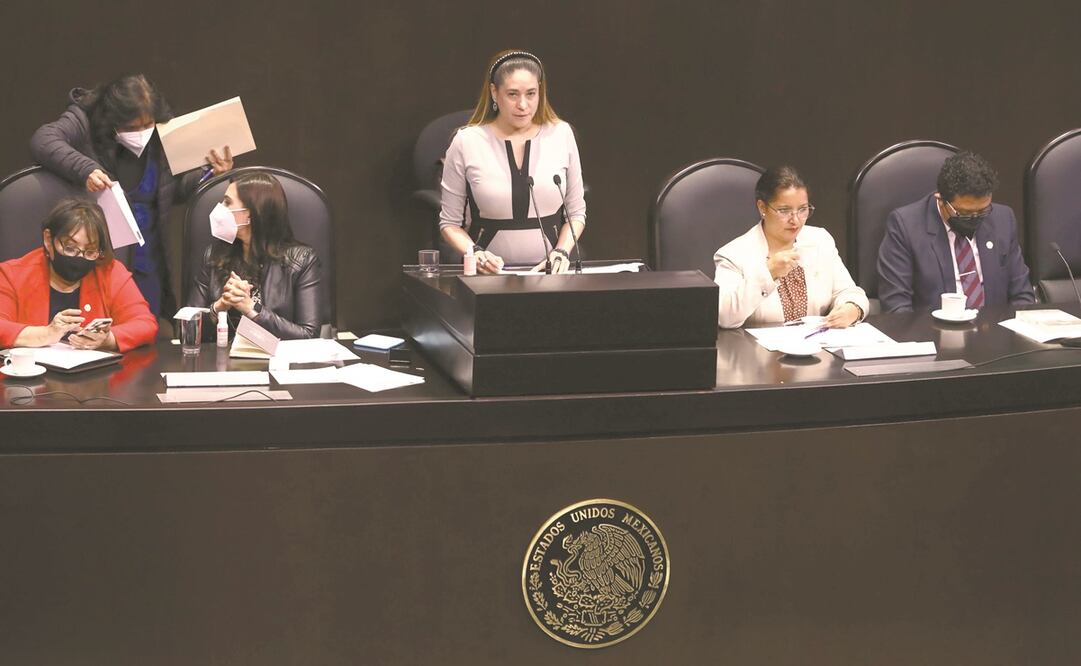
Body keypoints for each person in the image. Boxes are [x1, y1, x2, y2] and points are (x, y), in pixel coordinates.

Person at [30, 74, 234, 317]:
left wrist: (209, 174)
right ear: (112, 119)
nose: (141, 133)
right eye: (132, 128)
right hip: (97, 254)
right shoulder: (85, 117)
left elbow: (172, 192)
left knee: (144, 324)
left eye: (147, 125)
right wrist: (86, 170)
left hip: (148, 258)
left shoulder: (162, 131)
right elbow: (43, 140)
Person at [439, 49, 586, 274]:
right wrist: (474, 253)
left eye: (531, 93)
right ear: (494, 92)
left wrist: (562, 251)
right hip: (486, 276)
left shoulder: (561, 134)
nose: (523, 105)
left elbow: (576, 213)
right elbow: (449, 224)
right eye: (512, 94)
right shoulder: (466, 141)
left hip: (552, 275)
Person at [877, 151, 1036, 313]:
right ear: (940, 199)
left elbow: (1022, 296)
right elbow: (896, 306)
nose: (974, 218)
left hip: (995, 326)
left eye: (982, 211)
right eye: (964, 213)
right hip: (932, 327)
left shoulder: (1002, 219)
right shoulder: (906, 226)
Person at [714, 166, 868, 328]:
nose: (795, 220)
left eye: (802, 209)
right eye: (784, 210)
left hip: (817, 341)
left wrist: (852, 309)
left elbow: (848, 291)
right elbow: (724, 316)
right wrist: (768, 273)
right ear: (762, 207)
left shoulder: (820, 240)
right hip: (758, 344)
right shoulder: (733, 255)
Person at [0, 198, 158, 351]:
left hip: (94, 369)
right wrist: (46, 334)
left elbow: (145, 324)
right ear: (48, 240)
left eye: (90, 251)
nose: (79, 257)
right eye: (70, 248)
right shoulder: (13, 274)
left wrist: (107, 339)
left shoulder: (110, 272)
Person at [187, 171, 327, 340]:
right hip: (223, 355)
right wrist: (218, 307)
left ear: (251, 213)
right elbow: (187, 330)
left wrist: (251, 309)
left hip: (277, 356)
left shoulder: (302, 260)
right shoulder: (214, 256)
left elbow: (308, 336)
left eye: (227, 202)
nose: (220, 208)